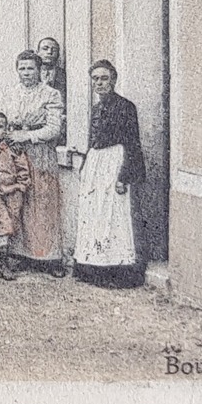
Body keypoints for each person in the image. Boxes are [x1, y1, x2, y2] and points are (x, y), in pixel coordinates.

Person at [70, 60, 147, 288]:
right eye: (95, 79)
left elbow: (132, 142)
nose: (99, 83)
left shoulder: (126, 106)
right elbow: (92, 139)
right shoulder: (96, 107)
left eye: (104, 78)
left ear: (113, 80)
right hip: (96, 162)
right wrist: (86, 165)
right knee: (95, 215)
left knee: (114, 215)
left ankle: (117, 270)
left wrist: (124, 176)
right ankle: (94, 267)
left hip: (115, 161)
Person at [4, 50, 68, 276]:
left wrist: (27, 136)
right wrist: (11, 136)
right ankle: (23, 254)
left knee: (42, 202)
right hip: (18, 154)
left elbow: (53, 129)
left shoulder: (51, 94)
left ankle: (50, 258)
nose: (26, 73)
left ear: (39, 70)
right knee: (20, 201)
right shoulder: (12, 93)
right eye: (22, 68)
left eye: (30, 68)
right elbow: (6, 121)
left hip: (40, 153)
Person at [0, 112, 28, 282]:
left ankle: (1, 258)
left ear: (6, 128)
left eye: (0, 127)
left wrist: (22, 186)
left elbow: (22, 168)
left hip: (13, 192)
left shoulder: (13, 148)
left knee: (11, 225)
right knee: (3, 225)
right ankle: (1, 264)